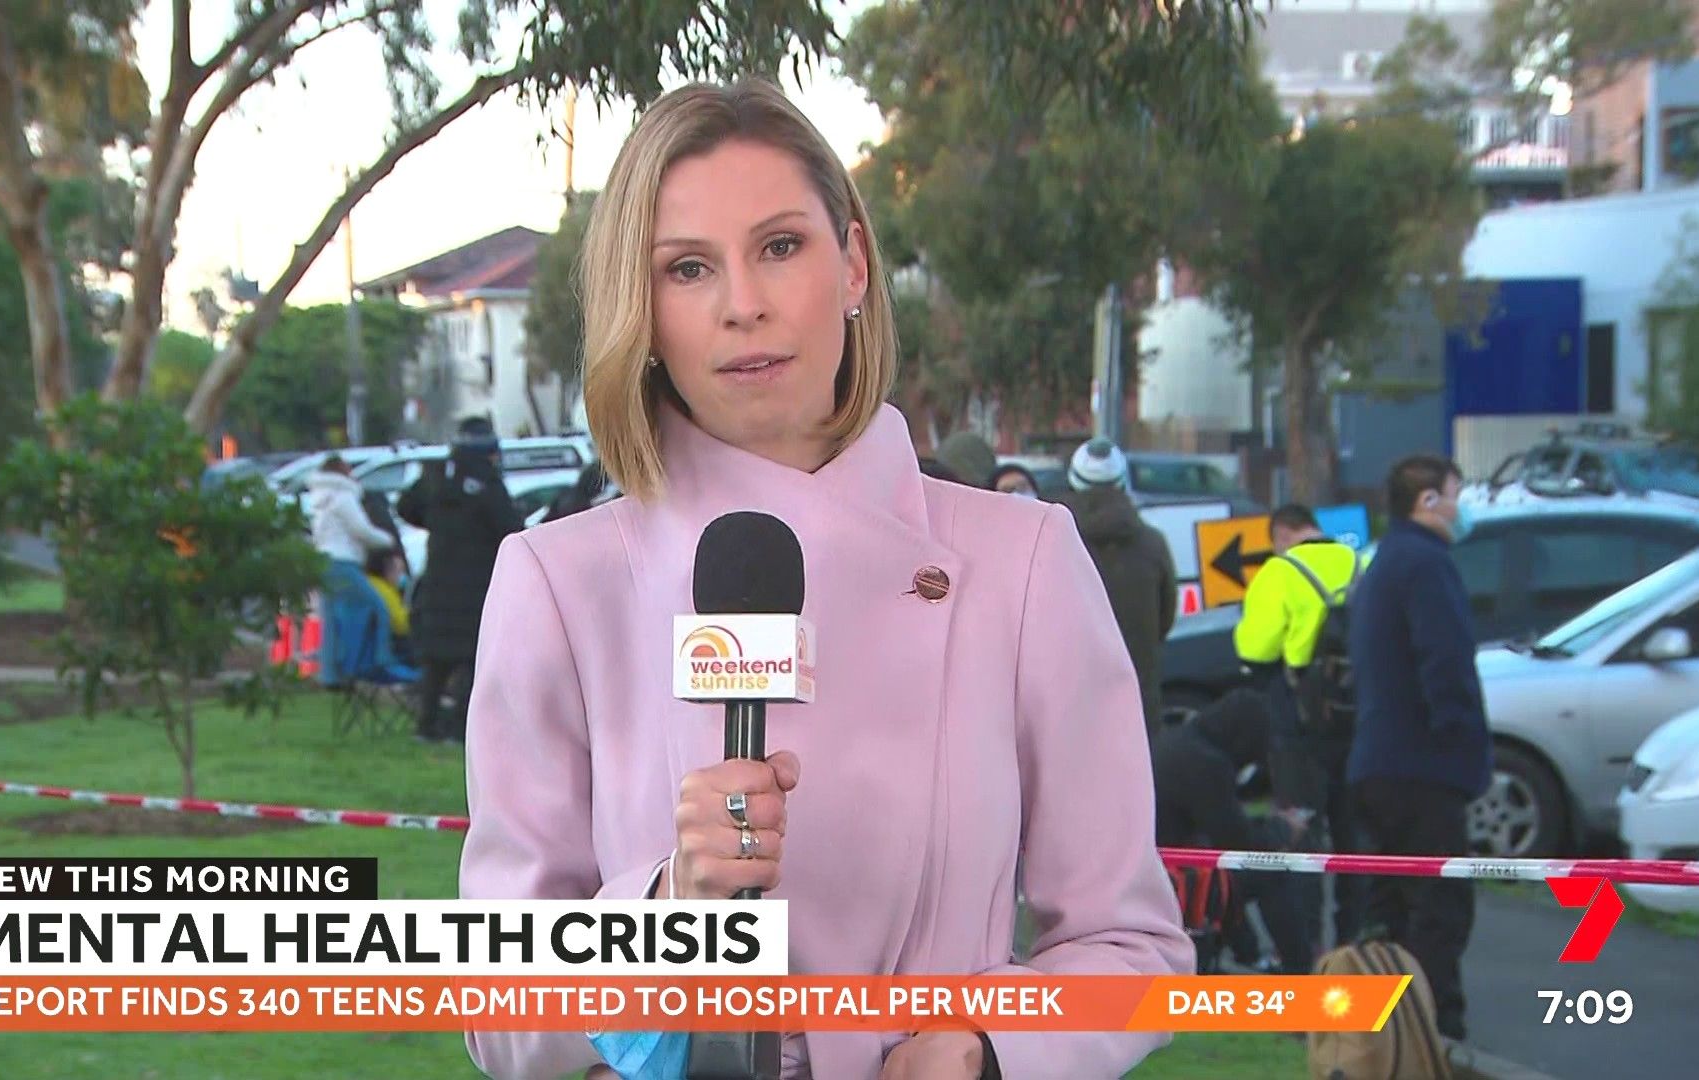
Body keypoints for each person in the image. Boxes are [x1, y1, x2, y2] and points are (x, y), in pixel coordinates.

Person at [458, 78, 1191, 1080]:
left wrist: (985, 1050)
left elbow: (1130, 947)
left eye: (780, 246)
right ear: (645, 309)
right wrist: (665, 910)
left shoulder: (1023, 563)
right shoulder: (556, 583)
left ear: (852, 263)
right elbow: (499, 1008)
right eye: (688, 268)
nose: (743, 305)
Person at [1347, 454, 1491, 1043]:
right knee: (1439, 905)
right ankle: (1436, 1031)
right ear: (1427, 501)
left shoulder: (1384, 562)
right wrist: (1460, 741)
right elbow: (1445, 659)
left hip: (1378, 760)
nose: (1463, 506)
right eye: (1456, 493)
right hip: (1423, 765)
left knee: (1389, 905)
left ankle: (1381, 1031)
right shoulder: (1427, 566)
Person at [1233, 503, 1366, 948]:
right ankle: (1354, 944)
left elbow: (1255, 651)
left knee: (1303, 842)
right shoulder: (1360, 564)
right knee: (1355, 840)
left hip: (1300, 729)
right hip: (1358, 722)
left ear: (1282, 536)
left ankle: (1309, 954)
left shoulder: (1279, 571)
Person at [1150, 689, 1316, 974]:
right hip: (1177, 876)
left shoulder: (1179, 741)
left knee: (1225, 870)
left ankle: (1249, 953)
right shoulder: (1207, 764)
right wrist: (1283, 828)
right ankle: (1300, 969)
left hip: (1162, 863)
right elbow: (1240, 844)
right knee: (1270, 871)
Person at [397, 416, 525, 745]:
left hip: (438, 583)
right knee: (470, 660)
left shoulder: (438, 477)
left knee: (436, 661)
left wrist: (437, 522)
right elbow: (511, 528)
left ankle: (426, 724)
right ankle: (459, 728)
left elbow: (405, 506)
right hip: (474, 588)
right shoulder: (488, 485)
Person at [1063, 436, 1178, 738]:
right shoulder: (1152, 544)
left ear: (1073, 481)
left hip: (1066, 703)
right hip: (1136, 703)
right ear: (1123, 482)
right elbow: (1164, 620)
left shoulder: (1051, 541)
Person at [307, 455, 409, 681]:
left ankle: (330, 675)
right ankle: (382, 660)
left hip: (323, 561)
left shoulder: (320, 498)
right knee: (378, 607)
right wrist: (387, 540)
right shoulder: (343, 496)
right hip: (344, 562)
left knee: (330, 621)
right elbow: (360, 529)